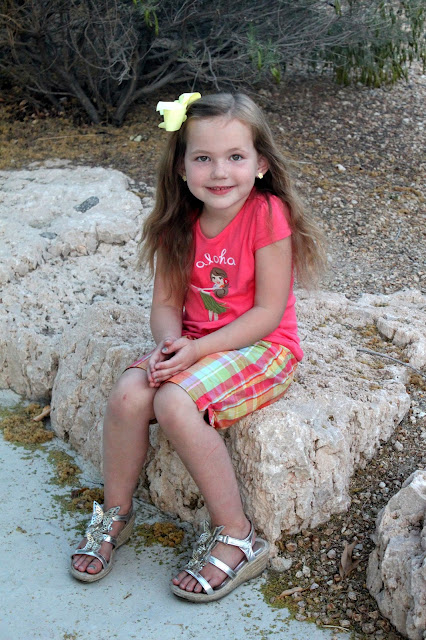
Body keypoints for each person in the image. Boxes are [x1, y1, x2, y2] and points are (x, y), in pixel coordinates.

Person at [70, 91, 324, 601]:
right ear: (182, 167)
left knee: (172, 401)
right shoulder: (176, 223)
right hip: (195, 345)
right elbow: (166, 305)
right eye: (203, 158)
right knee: (128, 395)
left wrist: (197, 352)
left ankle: (238, 535)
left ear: (260, 164)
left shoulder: (267, 214)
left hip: (263, 346)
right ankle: (115, 512)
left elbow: (267, 312)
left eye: (235, 156)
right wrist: (170, 344)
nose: (220, 171)